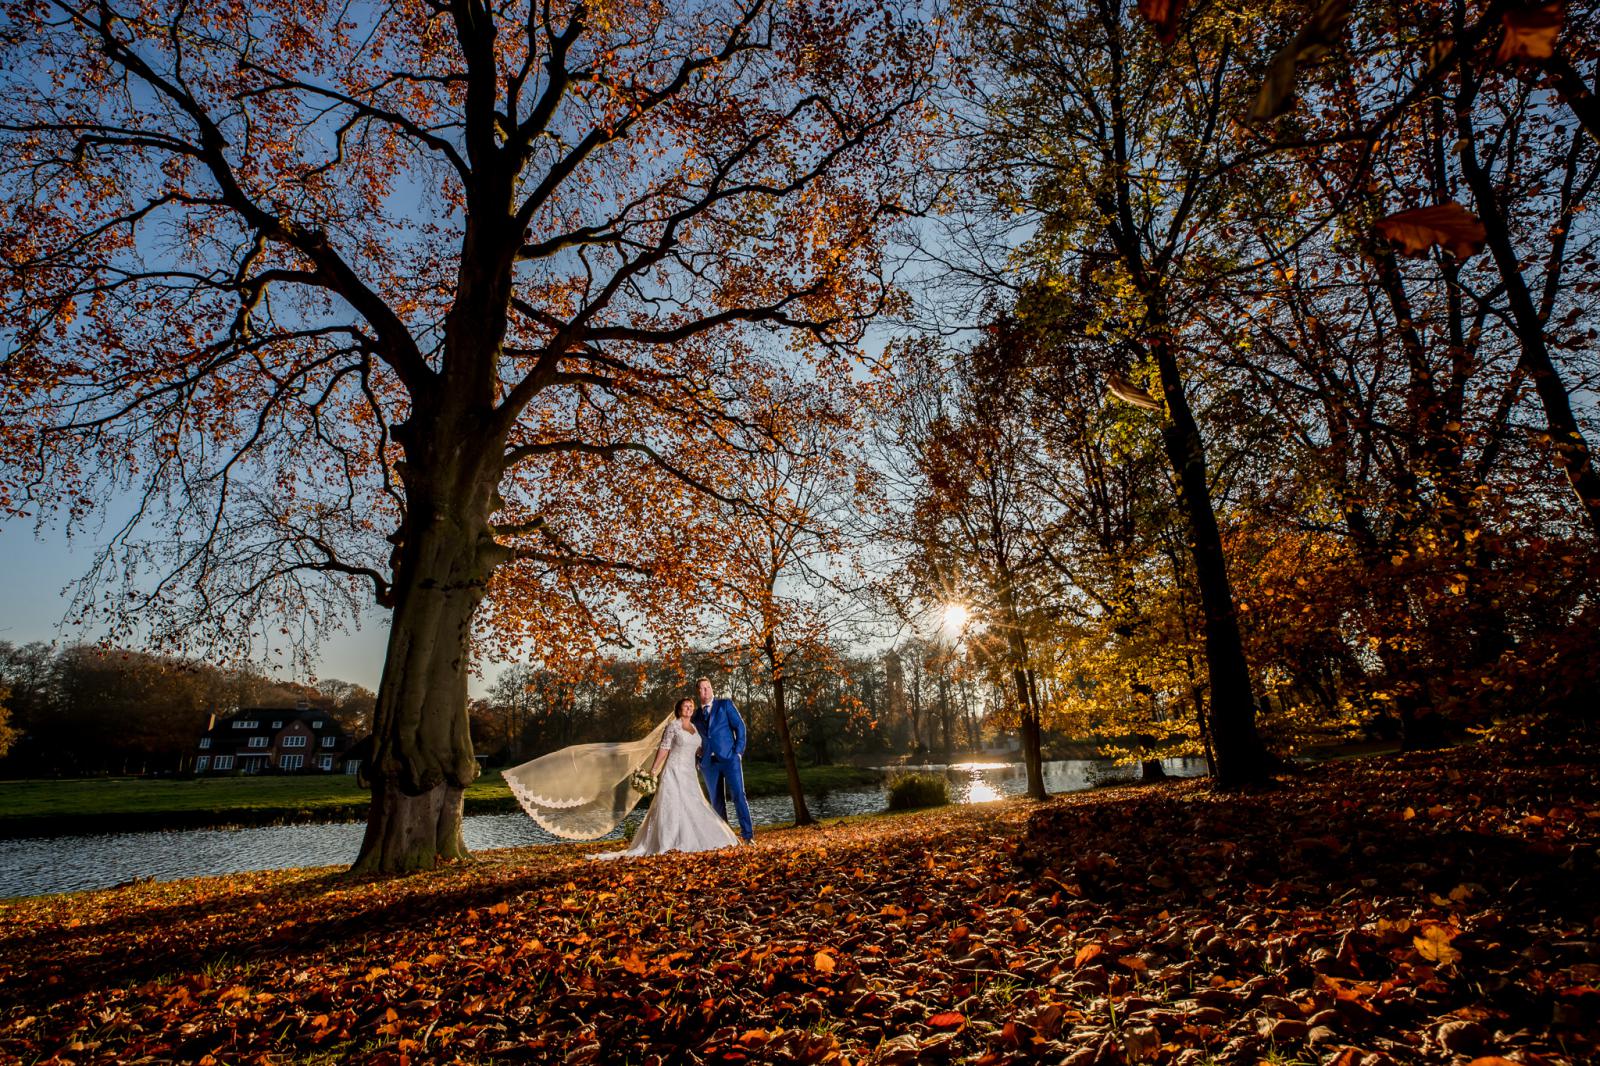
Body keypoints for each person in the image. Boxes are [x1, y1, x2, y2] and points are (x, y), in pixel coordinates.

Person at [595, 698, 738, 859]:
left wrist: (702, 754)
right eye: (686, 706)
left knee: (694, 803)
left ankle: (694, 838)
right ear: (679, 709)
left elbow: (696, 749)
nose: (689, 708)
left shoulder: (695, 728)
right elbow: (664, 749)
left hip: (689, 773)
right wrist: (653, 770)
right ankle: (668, 840)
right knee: (672, 805)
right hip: (674, 770)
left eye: (691, 706)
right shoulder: (673, 726)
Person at [691, 676, 754, 843]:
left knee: (738, 796)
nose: (705, 691)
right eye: (702, 689)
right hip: (708, 764)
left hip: (729, 759)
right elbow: (692, 739)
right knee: (716, 802)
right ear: (698, 692)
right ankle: (725, 840)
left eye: (708, 687)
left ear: (712, 689)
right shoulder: (695, 716)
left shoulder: (725, 705)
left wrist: (738, 752)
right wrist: (696, 757)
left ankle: (748, 836)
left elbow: (740, 727)